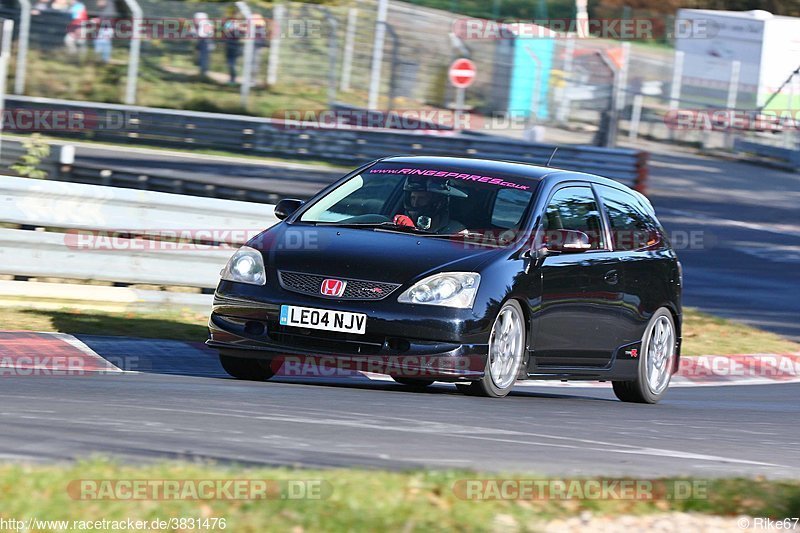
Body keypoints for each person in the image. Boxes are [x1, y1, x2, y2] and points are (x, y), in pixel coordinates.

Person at [396, 176, 467, 233]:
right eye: (412, 198)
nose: (415, 203)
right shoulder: (402, 223)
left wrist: (413, 232)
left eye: (422, 198)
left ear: (438, 202)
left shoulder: (456, 231)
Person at [223, 14, 242, 85]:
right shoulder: (229, 24)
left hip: (234, 48)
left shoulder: (237, 26)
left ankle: (233, 79)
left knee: (232, 64)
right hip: (229, 47)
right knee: (229, 64)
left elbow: (238, 36)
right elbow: (225, 32)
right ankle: (231, 78)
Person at [194, 12, 213, 78]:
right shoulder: (204, 24)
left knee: (204, 58)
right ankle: (202, 72)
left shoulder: (205, 24)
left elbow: (201, 35)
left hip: (205, 43)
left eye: (197, 19)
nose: (195, 20)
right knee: (202, 58)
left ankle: (204, 73)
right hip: (203, 43)